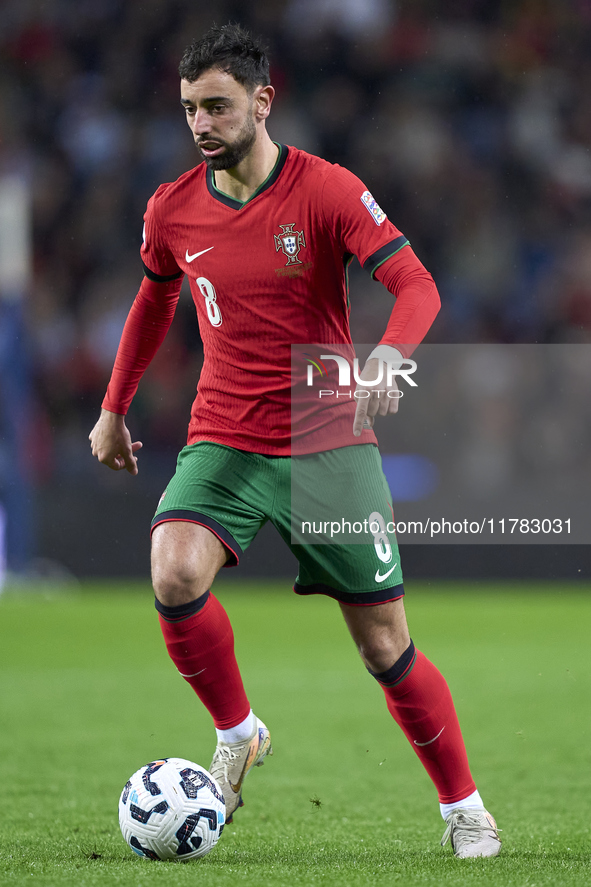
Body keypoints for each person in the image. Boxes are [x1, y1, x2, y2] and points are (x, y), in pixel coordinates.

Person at [89, 23, 501, 859]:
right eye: (189, 109)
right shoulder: (171, 207)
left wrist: (388, 356)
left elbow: (414, 282)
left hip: (326, 441)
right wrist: (111, 407)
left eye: (217, 105)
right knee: (172, 567)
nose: (201, 123)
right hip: (224, 436)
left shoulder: (326, 191)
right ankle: (238, 730)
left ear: (261, 101)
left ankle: (465, 806)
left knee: (384, 643)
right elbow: (152, 303)